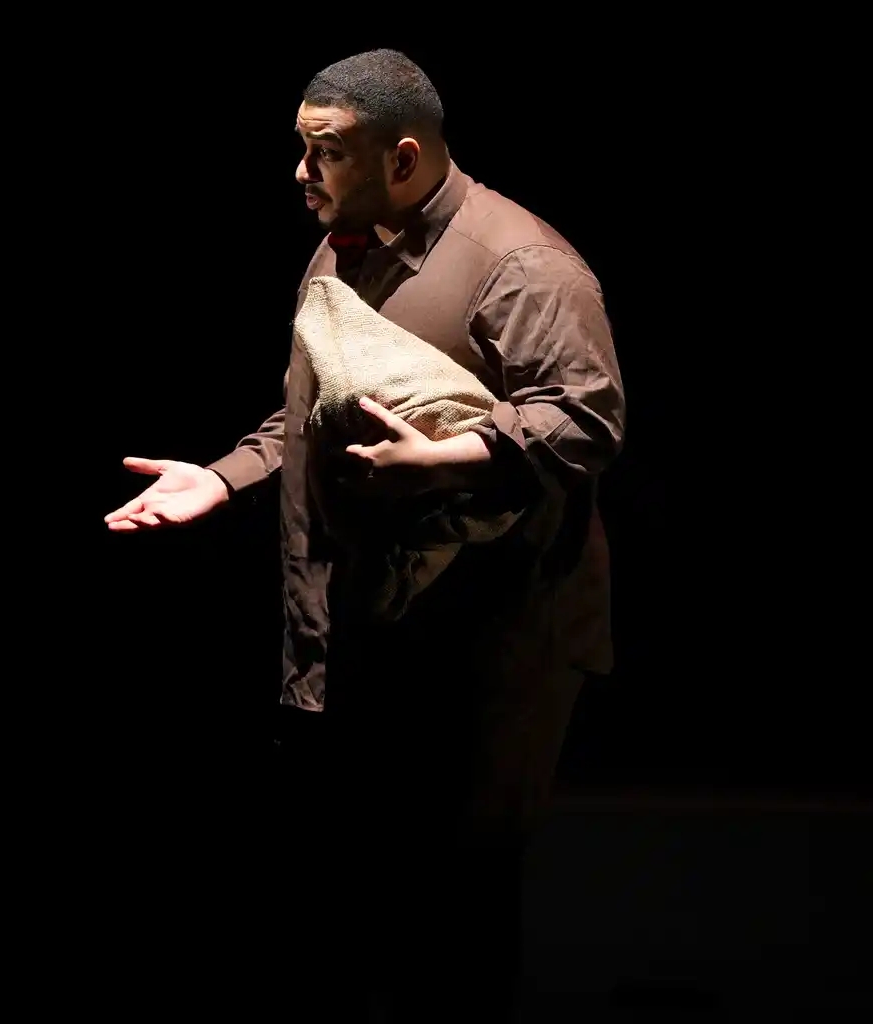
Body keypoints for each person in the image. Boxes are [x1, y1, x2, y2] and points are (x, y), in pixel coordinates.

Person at [104, 50, 624, 1020]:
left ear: (403, 156)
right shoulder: (344, 247)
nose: (301, 173)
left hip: (492, 643)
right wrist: (222, 477)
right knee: (357, 912)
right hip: (372, 633)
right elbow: (309, 410)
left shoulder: (521, 266)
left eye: (326, 153)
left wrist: (452, 455)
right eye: (301, 149)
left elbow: (587, 420)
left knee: (457, 918)